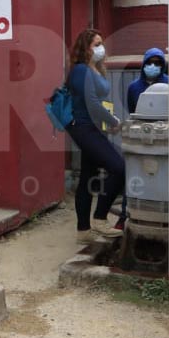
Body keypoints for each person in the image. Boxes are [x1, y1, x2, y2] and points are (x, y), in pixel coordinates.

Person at [65, 29, 125, 243]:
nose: (101, 48)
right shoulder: (81, 70)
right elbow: (92, 103)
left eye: (101, 43)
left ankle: (83, 231)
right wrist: (114, 121)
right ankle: (100, 219)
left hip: (94, 127)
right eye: (96, 44)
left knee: (88, 177)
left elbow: (99, 103)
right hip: (84, 127)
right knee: (119, 168)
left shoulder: (96, 69)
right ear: (85, 48)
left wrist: (107, 121)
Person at [126, 48, 169, 114]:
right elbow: (132, 111)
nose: (153, 65)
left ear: (162, 65)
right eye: (149, 62)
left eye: (157, 63)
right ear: (144, 63)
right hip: (142, 122)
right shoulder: (133, 87)